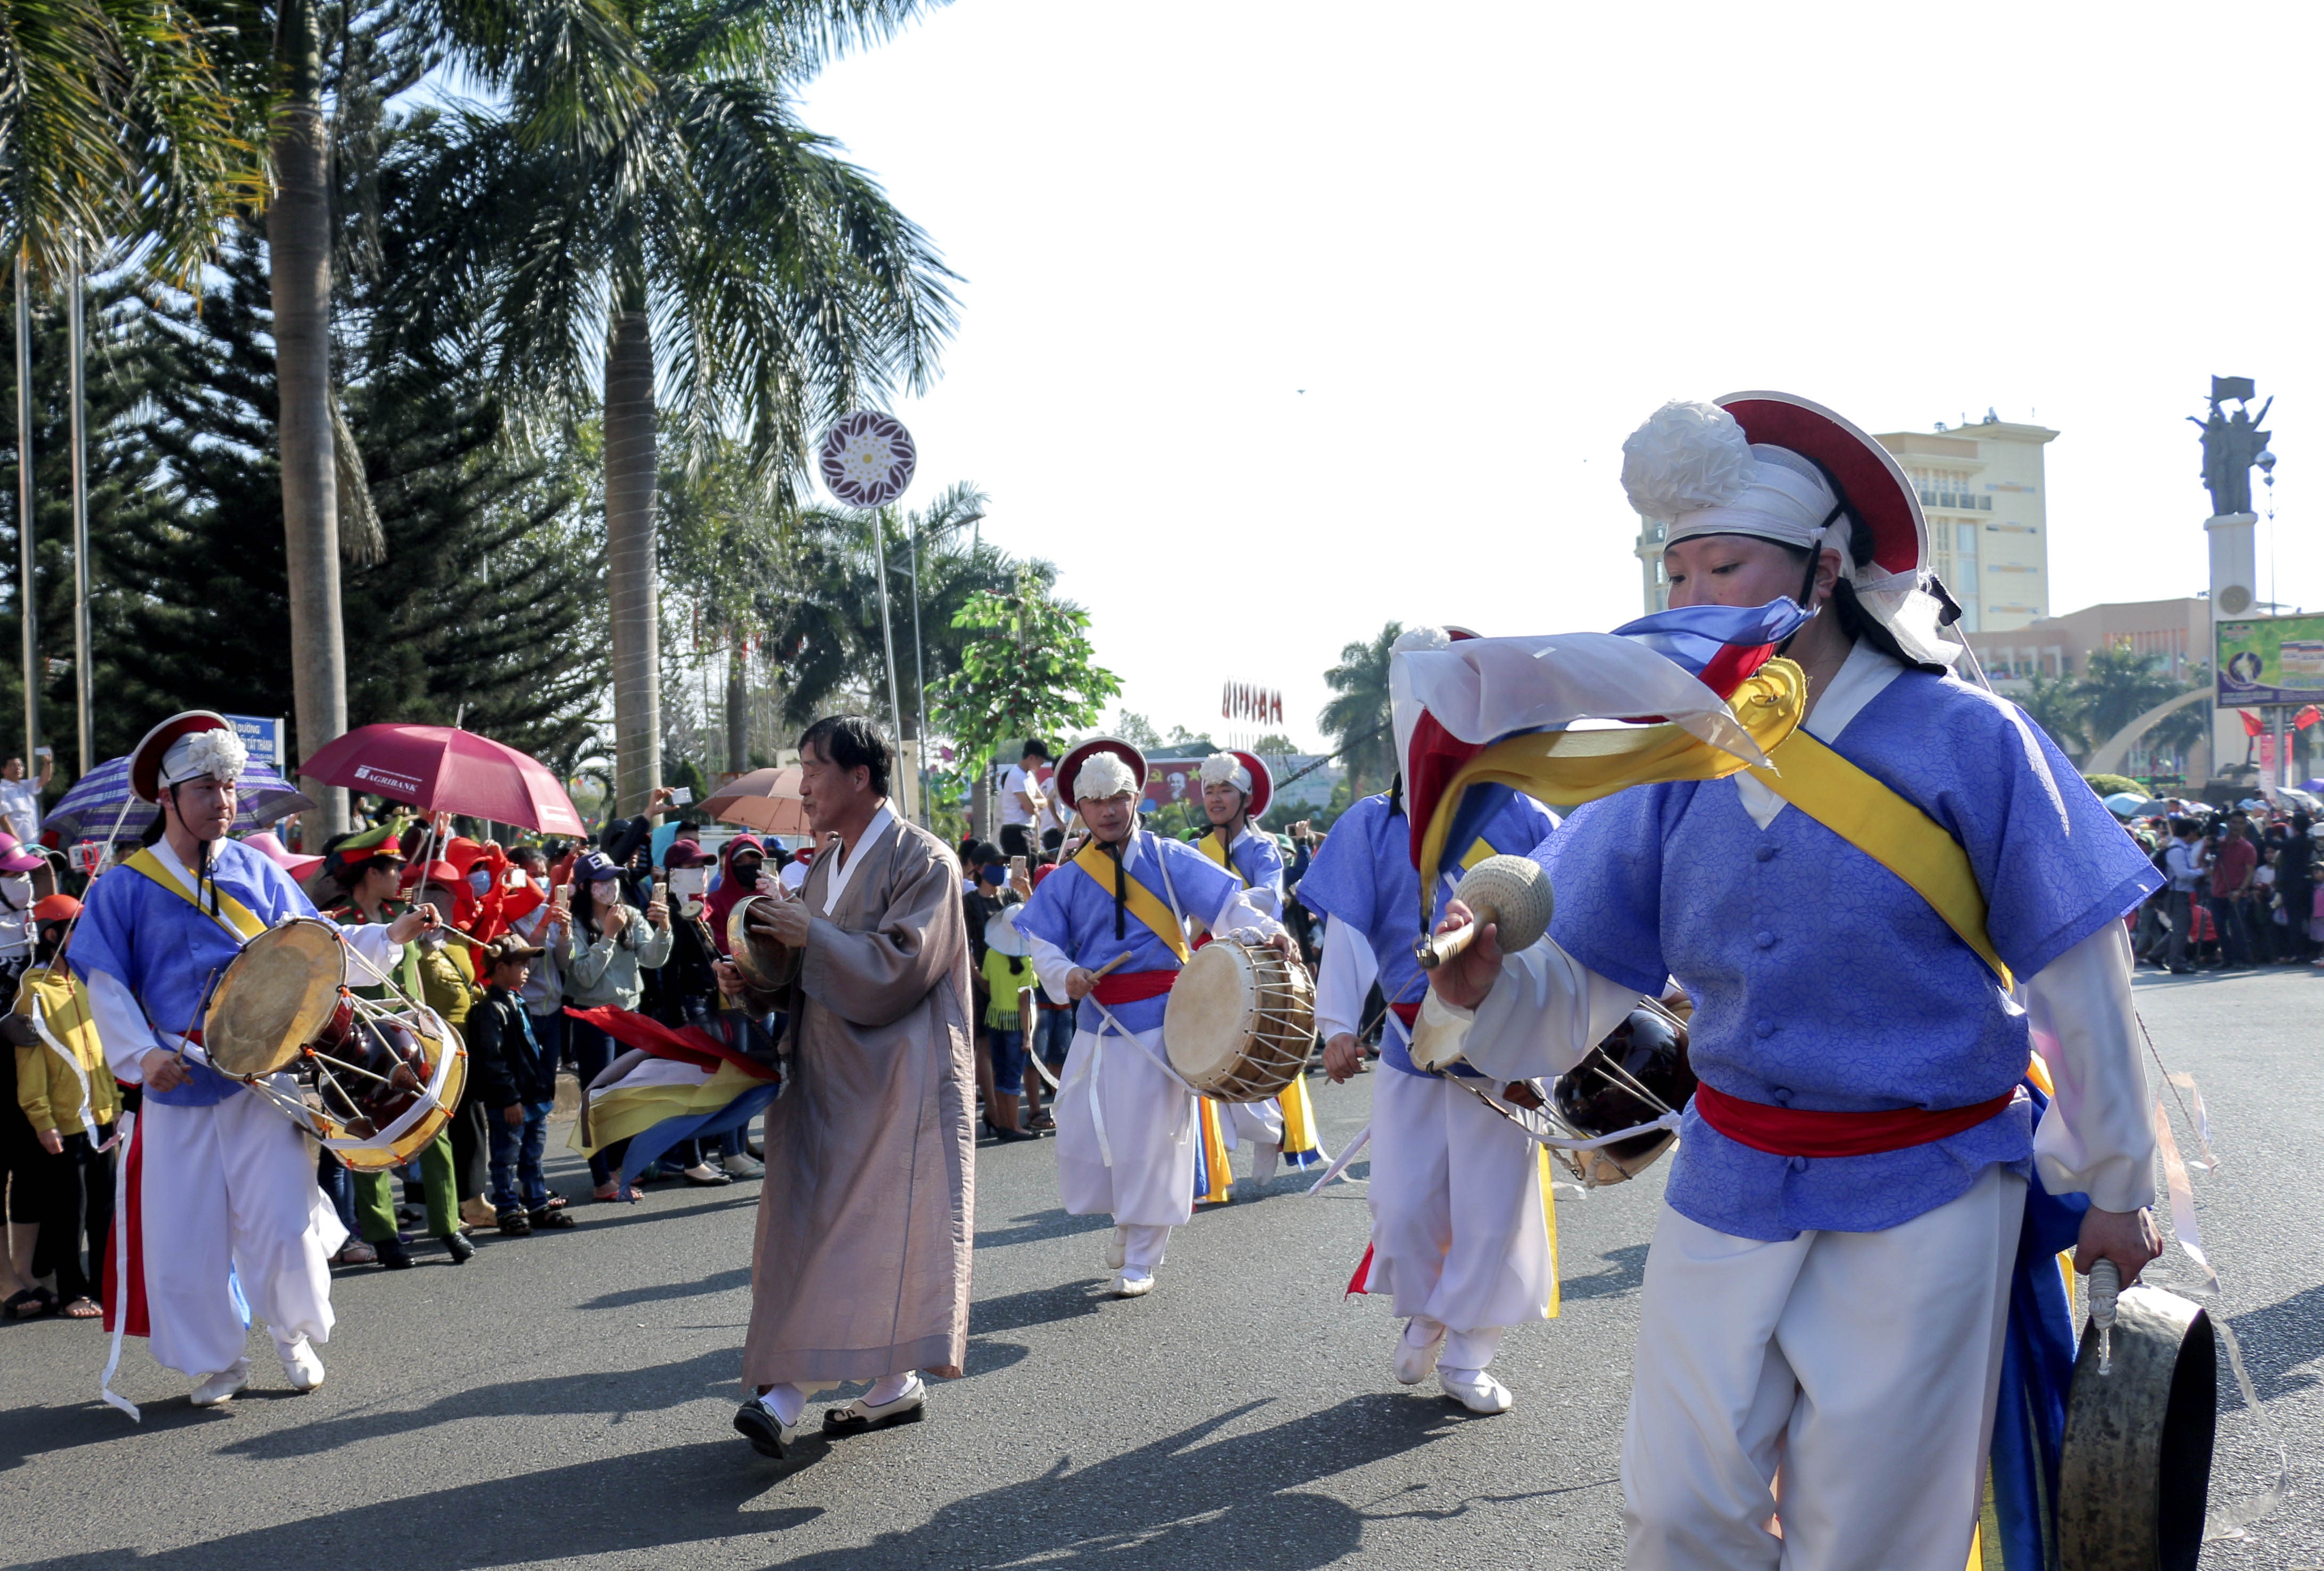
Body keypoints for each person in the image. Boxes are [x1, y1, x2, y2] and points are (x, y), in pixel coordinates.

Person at [1413, 395, 2163, 1570]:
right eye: (1678, 568)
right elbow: (1574, 982)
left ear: (1823, 572)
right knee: (1677, 1511)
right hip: (1733, 1171)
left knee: (1869, 1534)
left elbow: (2078, 976)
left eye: (1728, 562)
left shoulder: (1968, 738)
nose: (1694, 592)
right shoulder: (1671, 759)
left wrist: (2115, 1177)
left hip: (1934, 1180)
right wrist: (1477, 983)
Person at [73, 713, 436, 1410]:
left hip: (263, 1079)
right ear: (168, 798)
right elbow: (106, 983)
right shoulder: (123, 887)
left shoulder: (255, 869)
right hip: (176, 1085)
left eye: (231, 787)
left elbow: (319, 945)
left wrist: (390, 934)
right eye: (207, 788)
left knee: (279, 1219)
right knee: (186, 1235)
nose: (224, 801)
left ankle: (294, 1337)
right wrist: (143, 1054)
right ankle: (218, 1362)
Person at [1303, 634, 1562, 1415]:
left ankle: (1468, 1355)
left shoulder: (1532, 818)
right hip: (1410, 1043)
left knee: (1493, 1208)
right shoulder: (1371, 824)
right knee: (1406, 1204)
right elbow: (1347, 933)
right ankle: (1424, 1311)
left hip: (1507, 1042)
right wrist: (1337, 1024)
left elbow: (1576, 937)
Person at [731, 715, 976, 1458]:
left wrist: (815, 936)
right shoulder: (821, 867)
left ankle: (786, 1394)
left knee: (854, 1232)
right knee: (824, 1226)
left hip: (899, 1077)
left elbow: (901, 966)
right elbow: (803, 976)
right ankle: (891, 1384)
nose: (802, 782)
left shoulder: (924, 861)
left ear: (860, 777)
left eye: (813, 767)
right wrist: (752, 976)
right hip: (827, 1073)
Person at [1011, 738, 1291, 1297]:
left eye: (1118, 797)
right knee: (1088, 1133)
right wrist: (1065, 974)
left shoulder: (1168, 856)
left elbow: (1229, 906)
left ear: (1135, 797)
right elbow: (1041, 941)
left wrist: (1266, 930)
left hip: (1166, 1021)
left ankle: (1143, 1254)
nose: (1109, 810)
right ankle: (1126, 1219)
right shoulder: (1066, 878)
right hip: (1096, 1021)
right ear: (1079, 810)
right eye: (1096, 802)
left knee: (1155, 1140)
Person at [314, 824, 467, 1268]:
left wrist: (425, 1020)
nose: (402, 874)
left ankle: (448, 1224)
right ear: (369, 873)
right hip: (358, 1043)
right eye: (393, 867)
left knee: (434, 1124)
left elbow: (412, 976)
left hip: (409, 1035)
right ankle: (384, 1235)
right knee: (370, 1129)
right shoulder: (336, 921)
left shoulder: (405, 914)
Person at [5, 894, 115, 1320]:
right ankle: (73, 1291)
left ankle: (106, 1285)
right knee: (72, 1212)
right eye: (76, 928)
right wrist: (42, 1119)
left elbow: (102, 1052)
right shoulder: (33, 991)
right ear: (53, 935)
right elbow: (29, 1065)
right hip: (64, 1123)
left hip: (104, 1117)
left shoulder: (89, 982)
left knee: (105, 1208)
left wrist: (117, 1105)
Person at [565, 850, 678, 1196]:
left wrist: (664, 928)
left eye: (613, 880)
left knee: (627, 1093)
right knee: (598, 1095)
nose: (609, 888)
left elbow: (653, 960)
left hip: (630, 1014)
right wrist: (608, 936)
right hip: (594, 1018)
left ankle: (618, 1164)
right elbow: (582, 977)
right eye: (601, 882)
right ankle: (601, 1178)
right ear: (585, 887)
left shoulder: (629, 914)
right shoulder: (573, 923)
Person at [468, 935, 575, 1236]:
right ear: (500, 968)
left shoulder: (516, 1000)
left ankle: (538, 1204)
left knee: (532, 1155)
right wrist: (508, 1098)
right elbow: (493, 1059)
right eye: (520, 964)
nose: (527, 970)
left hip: (532, 1097)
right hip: (512, 1101)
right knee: (506, 1158)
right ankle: (507, 1209)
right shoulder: (490, 1010)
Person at [977, 907, 1039, 1141]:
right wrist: (1027, 1036)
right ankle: (1014, 1125)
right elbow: (1025, 1002)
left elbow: (986, 982)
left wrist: (972, 968)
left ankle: (1004, 1123)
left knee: (1000, 1074)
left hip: (994, 1019)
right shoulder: (1027, 962)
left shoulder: (992, 955)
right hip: (1015, 1024)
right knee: (1014, 1077)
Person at [2204, 815, 2256, 971]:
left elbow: (2250, 873)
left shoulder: (2248, 848)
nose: (2236, 826)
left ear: (2245, 826)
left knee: (2237, 927)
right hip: (2218, 892)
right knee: (2220, 928)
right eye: (2234, 822)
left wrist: (2240, 891)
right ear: (2228, 824)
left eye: (2241, 823)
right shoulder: (2218, 844)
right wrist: (2207, 846)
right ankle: (2227, 959)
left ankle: (2242, 959)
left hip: (2237, 894)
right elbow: (2203, 862)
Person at [2161, 816, 2205, 974]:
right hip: (2176, 894)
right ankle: (2177, 963)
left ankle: (2157, 954)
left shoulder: (2182, 848)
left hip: (2180, 893)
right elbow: (2182, 874)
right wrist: (2202, 872)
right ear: (2191, 832)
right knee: (2181, 930)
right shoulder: (2177, 850)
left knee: (2181, 928)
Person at [998, 739, 1053, 861]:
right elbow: (1030, 809)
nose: (1042, 764)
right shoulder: (1017, 776)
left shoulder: (1029, 776)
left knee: (1033, 866)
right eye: (1041, 760)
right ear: (1032, 758)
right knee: (1022, 872)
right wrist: (1035, 805)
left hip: (1027, 830)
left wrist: (1034, 803)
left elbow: (1044, 801)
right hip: (1015, 832)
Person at [0, 750, 53, 845]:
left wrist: (48, 762)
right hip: (14, 847)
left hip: (33, 844)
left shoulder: (25, 786)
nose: (17, 768)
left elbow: (45, 779)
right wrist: (17, 843)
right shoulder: (2, 790)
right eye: (13, 765)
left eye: (20, 765)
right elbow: (3, 819)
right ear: (3, 770)